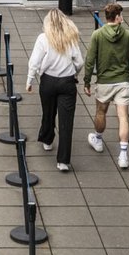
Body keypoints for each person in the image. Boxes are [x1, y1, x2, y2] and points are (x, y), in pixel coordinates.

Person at [82, 2, 129, 168]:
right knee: (123, 117)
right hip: (123, 82)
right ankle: (123, 155)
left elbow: (89, 60)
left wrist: (87, 81)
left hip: (104, 82)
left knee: (101, 112)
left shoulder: (97, 35)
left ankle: (98, 139)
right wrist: (126, 68)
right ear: (117, 17)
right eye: (121, 16)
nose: (122, 18)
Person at [25, 9, 84, 172]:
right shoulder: (70, 38)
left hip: (48, 81)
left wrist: (30, 79)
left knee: (48, 112)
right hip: (67, 82)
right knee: (66, 122)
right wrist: (75, 74)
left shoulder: (43, 38)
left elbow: (34, 61)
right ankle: (63, 161)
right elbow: (79, 62)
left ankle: (47, 139)